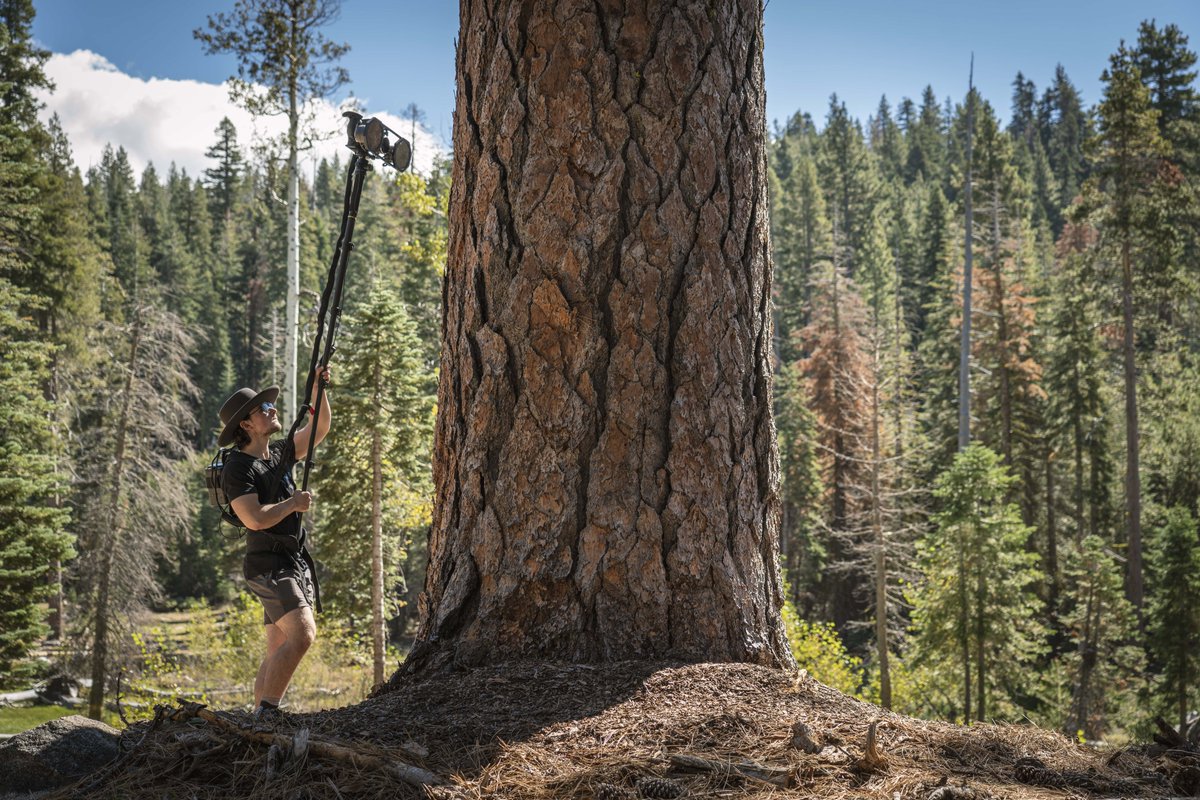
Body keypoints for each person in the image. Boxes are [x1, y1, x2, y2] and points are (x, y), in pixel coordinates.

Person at [216, 369, 332, 720]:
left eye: (270, 404)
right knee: (303, 635)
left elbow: (319, 430)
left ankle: (256, 717)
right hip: (269, 566)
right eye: (263, 408)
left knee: (278, 647)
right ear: (246, 426)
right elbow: (253, 518)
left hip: (291, 562)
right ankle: (268, 714)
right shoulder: (238, 468)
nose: (272, 409)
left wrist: (317, 391)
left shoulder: (279, 454)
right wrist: (292, 505)